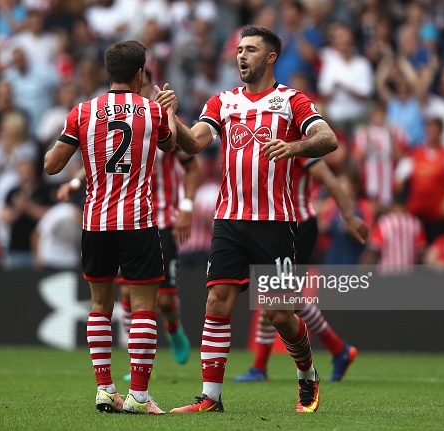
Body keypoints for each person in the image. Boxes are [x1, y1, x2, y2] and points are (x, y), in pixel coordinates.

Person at [155, 26, 339, 413]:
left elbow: (328, 138)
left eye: (251, 50)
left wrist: (294, 146)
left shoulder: (292, 100)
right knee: (217, 300)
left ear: (270, 58)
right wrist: (171, 117)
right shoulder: (223, 101)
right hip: (229, 220)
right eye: (239, 49)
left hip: (275, 222)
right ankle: (210, 398)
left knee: (279, 314)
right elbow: (194, 143)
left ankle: (307, 374)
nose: (241, 56)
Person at [44, 40, 176, 415]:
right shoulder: (152, 111)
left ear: (108, 72)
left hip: (96, 221)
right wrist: (170, 112)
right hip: (138, 220)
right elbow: (172, 146)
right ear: (139, 74)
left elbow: (52, 166)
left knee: (99, 306)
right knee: (144, 308)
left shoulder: (82, 111)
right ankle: (138, 396)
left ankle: (105, 390)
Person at [56, 69, 201, 370]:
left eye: (146, 86)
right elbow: (108, 159)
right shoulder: (119, 119)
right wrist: (74, 182)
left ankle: (173, 328)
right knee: (125, 293)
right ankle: (134, 368)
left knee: (163, 301)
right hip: (122, 219)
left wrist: (186, 207)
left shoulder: (160, 118)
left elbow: (192, 165)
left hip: (160, 219)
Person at [234, 158, 368, 383]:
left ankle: (261, 366)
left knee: (278, 297)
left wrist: (349, 216)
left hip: (297, 226)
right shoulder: (269, 135)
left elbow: (328, 178)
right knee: (276, 296)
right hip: (274, 225)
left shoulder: (298, 143)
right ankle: (338, 349)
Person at [394, 118, 444, 243]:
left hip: (438, 214)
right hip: (416, 211)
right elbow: (399, 177)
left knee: (437, 243)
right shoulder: (415, 153)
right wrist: (401, 202)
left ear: (441, 132)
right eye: (430, 130)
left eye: (435, 130)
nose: (432, 133)